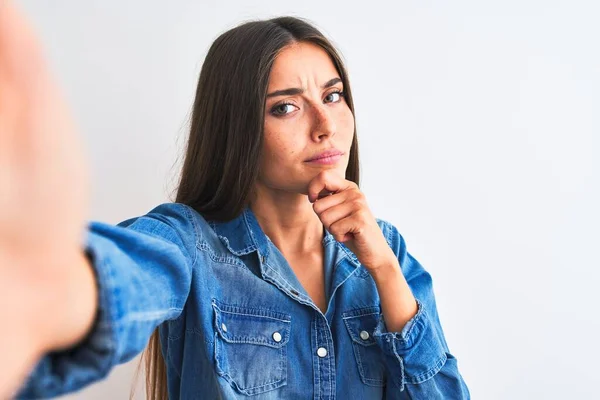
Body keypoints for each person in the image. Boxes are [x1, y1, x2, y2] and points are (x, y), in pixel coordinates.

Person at [0, 2, 470, 399]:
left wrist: (385, 271)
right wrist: (42, 292)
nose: (325, 125)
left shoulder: (387, 250)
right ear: (237, 128)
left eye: (333, 96)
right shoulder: (187, 244)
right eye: (285, 106)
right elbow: (124, 279)